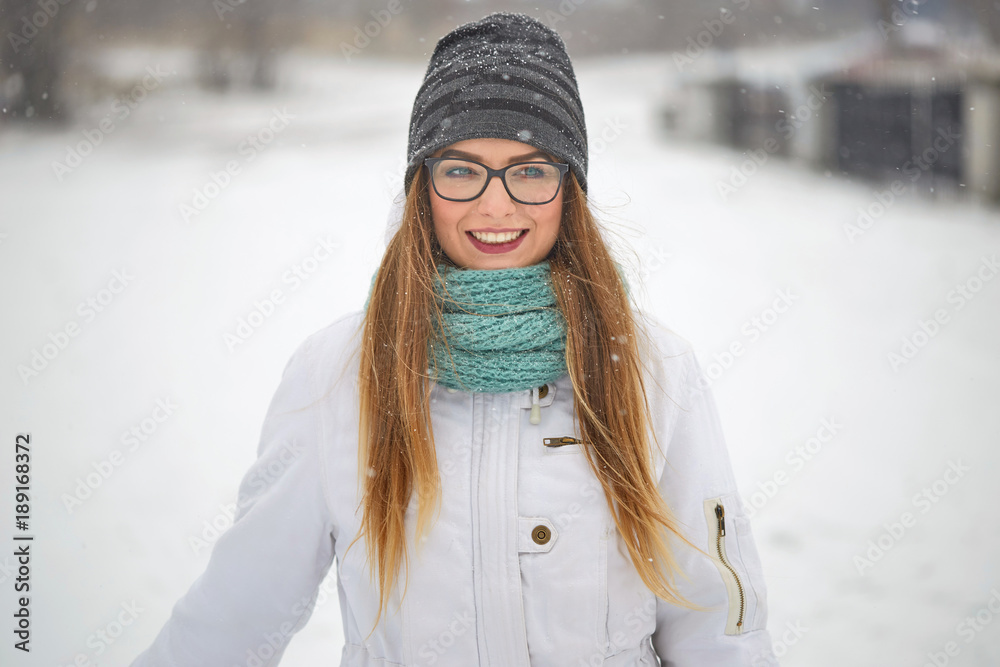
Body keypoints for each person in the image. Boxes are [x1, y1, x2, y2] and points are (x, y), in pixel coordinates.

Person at [131, 11, 778, 667]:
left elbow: (718, 628)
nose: (496, 205)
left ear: (569, 190)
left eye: (530, 170)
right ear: (422, 186)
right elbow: (237, 616)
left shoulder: (652, 367)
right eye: (462, 170)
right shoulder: (335, 374)